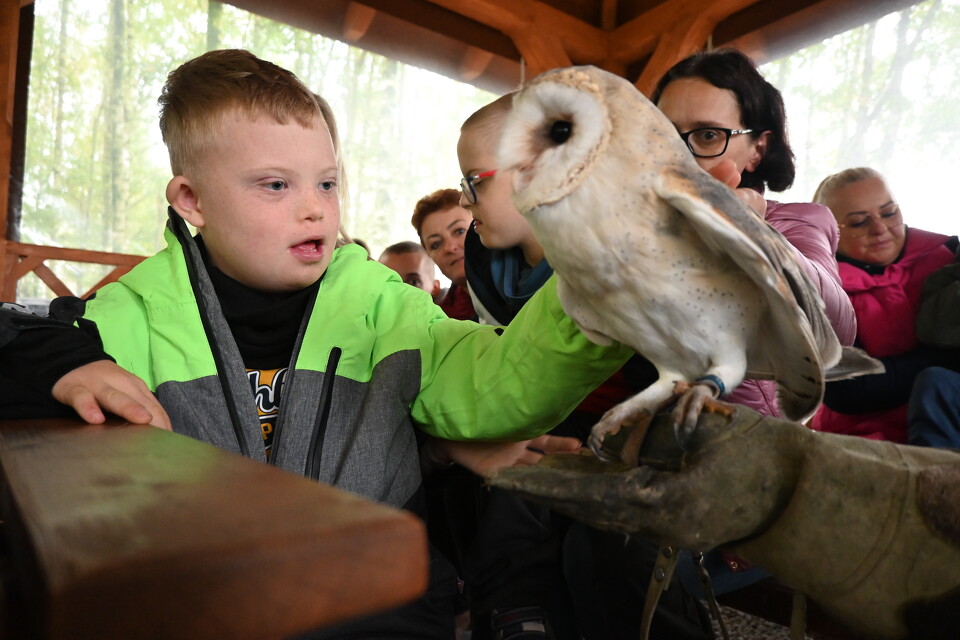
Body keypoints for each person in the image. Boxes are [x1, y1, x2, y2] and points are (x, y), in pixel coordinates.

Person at [0, 49, 634, 639]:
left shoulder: (380, 302)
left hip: (380, 604)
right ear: (192, 200)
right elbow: (22, 338)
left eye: (327, 184)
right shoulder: (137, 309)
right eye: (277, 186)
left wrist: (599, 293)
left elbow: (490, 384)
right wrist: (64, 362)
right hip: (196, 605)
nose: (315, 209)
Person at [436, 93, 711, 640]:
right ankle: (516, 617)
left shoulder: (614, 253)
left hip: (638, 429)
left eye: (476, 182)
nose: (467, 202)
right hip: (548, 426)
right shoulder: (488, 267)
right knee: (511, 501)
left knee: (604, 543)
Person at [651, 47, 858, 418]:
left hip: (746, 446)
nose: (677, 157)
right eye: (662, 135)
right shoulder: (638, 225)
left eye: (709, 135)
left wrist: (752, 234)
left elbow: (837, 329)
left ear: (757, 150)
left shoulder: (798, 220)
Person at [810, 166, 960, 446]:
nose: (879, 229)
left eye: (889, 213)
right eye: (858, 222)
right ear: (830, 233)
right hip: (871, 441)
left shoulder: (947, 256)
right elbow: (848, 389)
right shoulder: (821, 292)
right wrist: (946, 360)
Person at [411, 189, 477, 320]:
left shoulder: (523, 285)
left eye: (459, 231)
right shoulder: (440, 321)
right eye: (436, 244)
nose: (450, 248)